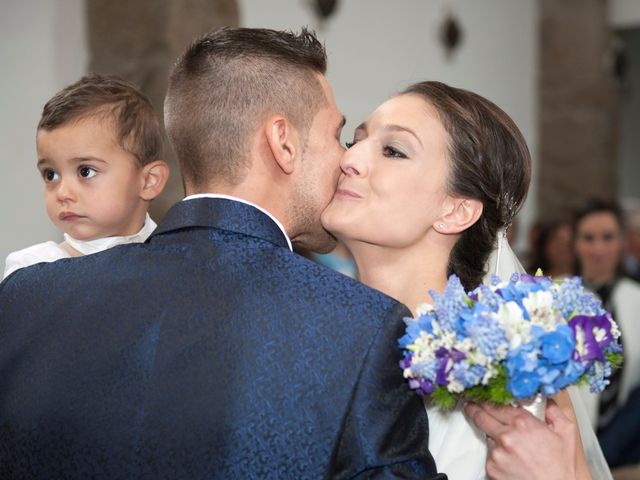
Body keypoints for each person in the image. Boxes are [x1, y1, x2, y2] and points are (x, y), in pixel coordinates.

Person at [0, 28, 443, 479]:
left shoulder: (25, 297)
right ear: (283, 143)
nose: (346, 158)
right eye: (338, 134)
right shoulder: (362, 328)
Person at [321, 81, 605, 479]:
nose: (349, 159)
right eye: (355, 140)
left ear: (455, 211)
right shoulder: (308, 337)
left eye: (393, 150)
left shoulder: (512, 373)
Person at [3, 74, 169, 279]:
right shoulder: (32, 270)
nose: (63, 193)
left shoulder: (177, 260)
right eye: (51, 174)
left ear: (149, 181)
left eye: (85, 171)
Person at [572, 199, 640, 468]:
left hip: (626, 448)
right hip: (571, 437)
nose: (598, 248)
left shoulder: (636, 298)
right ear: (575, 243)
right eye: (588, 238)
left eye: (607, 237)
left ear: (622, 241)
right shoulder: (555, 297)